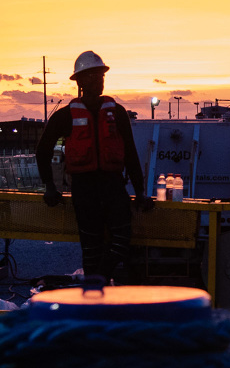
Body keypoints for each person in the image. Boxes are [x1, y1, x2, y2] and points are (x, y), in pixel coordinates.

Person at [37, 50, 152, 283]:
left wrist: (140, 191)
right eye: (92, 76)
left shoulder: (117, 113)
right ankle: (93, 299)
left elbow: (130, 152)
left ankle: (95, 283)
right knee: (91, 248)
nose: (99, 80)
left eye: (101, 76)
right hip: (84, 189)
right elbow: (42, 150)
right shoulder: (65, 116)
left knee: (122, 240)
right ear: (80, 81)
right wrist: (49, 186)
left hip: (112, 187)